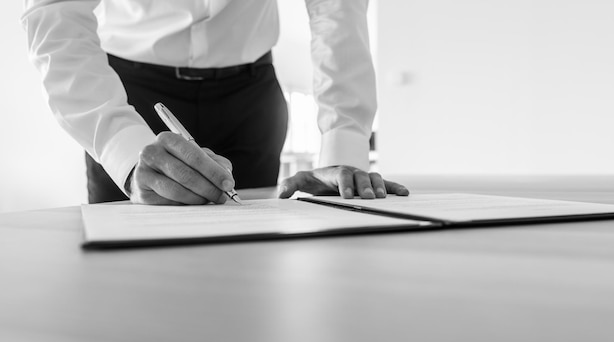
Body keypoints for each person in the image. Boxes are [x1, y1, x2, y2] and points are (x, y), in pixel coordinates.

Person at [22, 0, 409, 205]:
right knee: (129, 272)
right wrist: (121, 149)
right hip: (129, 96)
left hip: (250, 96)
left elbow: (335, 7)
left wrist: (342, 143)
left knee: (248, 268)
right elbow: (55, 13)